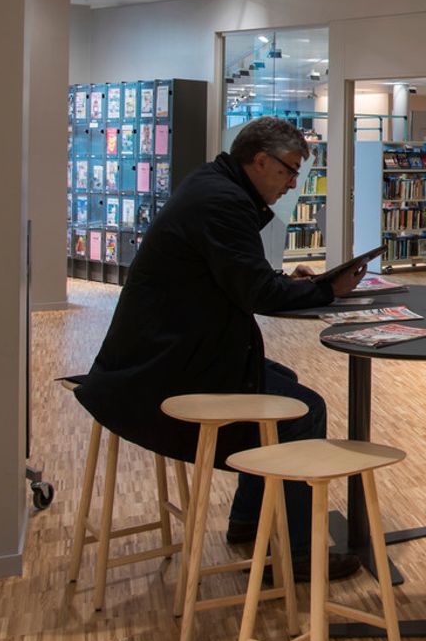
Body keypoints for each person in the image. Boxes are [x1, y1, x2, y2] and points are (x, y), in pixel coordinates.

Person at [75, 117, 368, 581]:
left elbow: (235, 277)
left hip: (162, 353)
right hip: (165, 370)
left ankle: (249, 520)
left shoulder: (213, 185)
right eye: (289, 171)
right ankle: (297, 557)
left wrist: (283, 282)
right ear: (259, 161)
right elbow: (256, 295)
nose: (292, 184)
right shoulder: (224, 204)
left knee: (283, 386)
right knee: (303, 409)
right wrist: (329, 291)